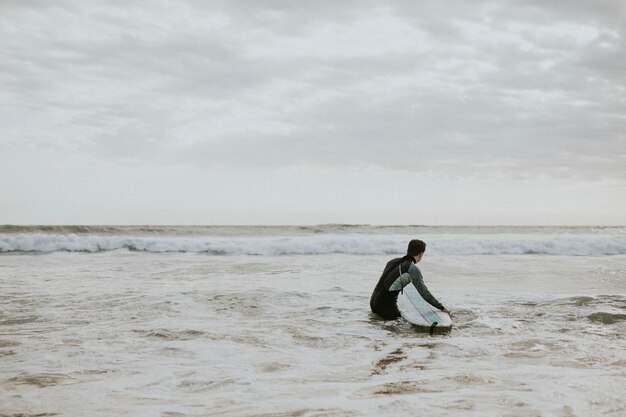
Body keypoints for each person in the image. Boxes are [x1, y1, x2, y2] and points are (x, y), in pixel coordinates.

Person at [370, 239, 450, 320]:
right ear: (421, 254)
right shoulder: (412, 269)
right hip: (386, 308)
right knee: (400, 327)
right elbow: (424, 293)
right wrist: (441, 307)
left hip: (373, 302)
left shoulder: (392, 262)